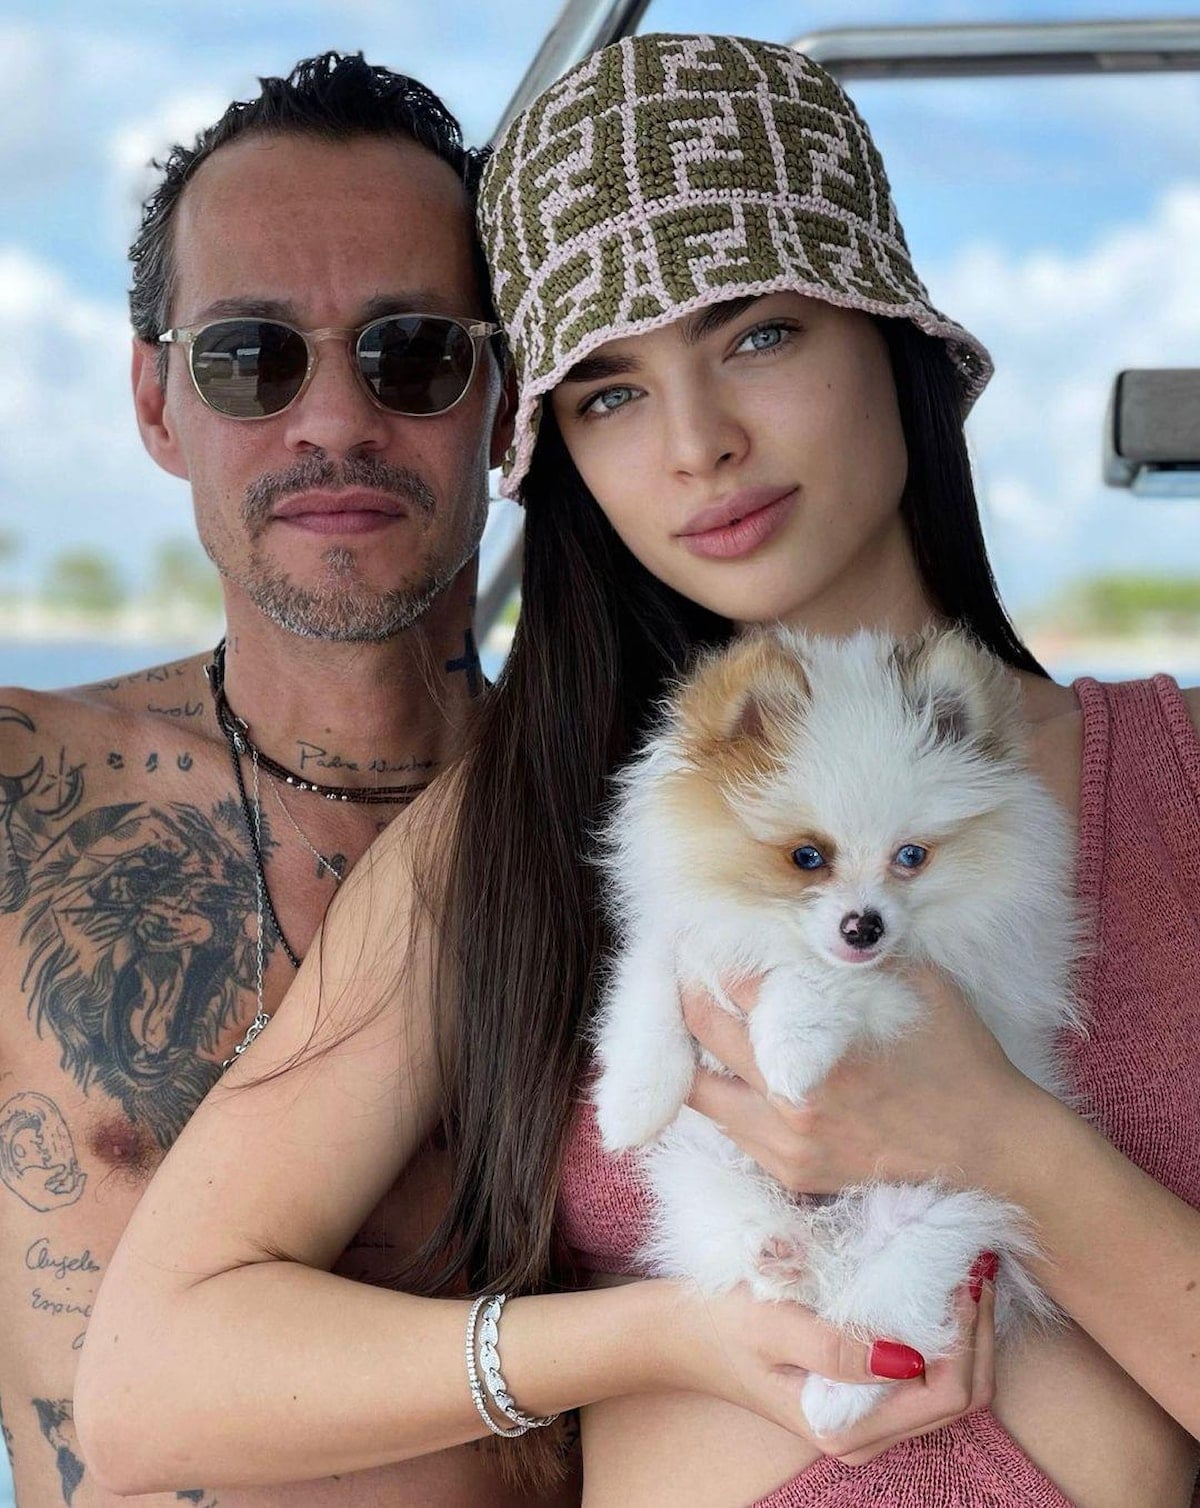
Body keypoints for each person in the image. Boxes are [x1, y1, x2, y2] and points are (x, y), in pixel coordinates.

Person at [75, 32, 1200, 1508]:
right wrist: (667, 1338)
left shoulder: (1176, 775)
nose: (698, 444)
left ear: (892, 338)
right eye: (607, 393)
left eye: (760, 335)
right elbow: (147, 1387)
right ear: (558, 452)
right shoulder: (533, 820)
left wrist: (1002, 1140)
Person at [0, 48, 586, 1508]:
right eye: (252, 358)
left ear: (505, 401)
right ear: (158, 403)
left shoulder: (652, 824)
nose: (334, 423)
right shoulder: (20, 795)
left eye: (415, 354)